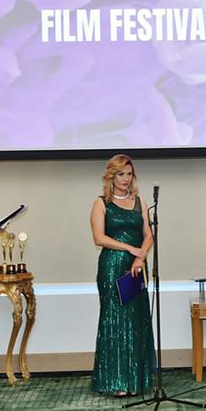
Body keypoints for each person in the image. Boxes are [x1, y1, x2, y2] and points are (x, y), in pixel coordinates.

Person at [89, 154, 155, 397]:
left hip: (136, 267)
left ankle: (135, 380)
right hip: (112, 266)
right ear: (111, 177)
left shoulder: (140, 201)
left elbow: (148, 235)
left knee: (136, 321)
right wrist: (129, 248)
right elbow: (99, 238)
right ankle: (116, 380)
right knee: (115, 320)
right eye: (120, 174)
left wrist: (140, 257)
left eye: (129, 174)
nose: (125, 179)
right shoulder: (101, 203)